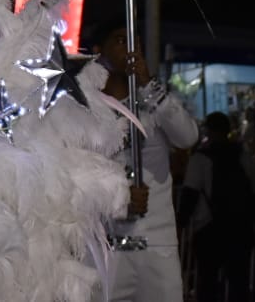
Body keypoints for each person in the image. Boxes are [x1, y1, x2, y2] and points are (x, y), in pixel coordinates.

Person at [78, 17, 201, 302]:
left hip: (156, 248)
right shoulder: (82, 112)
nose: (130, 50)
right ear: (99, 51)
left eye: (136, 44)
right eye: (121, 41)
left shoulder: (154, 104)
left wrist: (148, 84)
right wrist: (118, 200)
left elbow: (188, 137)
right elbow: (75, 177)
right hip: (105, 251)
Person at [180, 112, 255, 302]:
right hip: (240, 228)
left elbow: (190, 194)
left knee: (207, 283)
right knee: (238, 283)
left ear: (207, 130)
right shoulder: (243, 156)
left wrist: (181, 223)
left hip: (208, 228)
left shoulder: (200, 159)